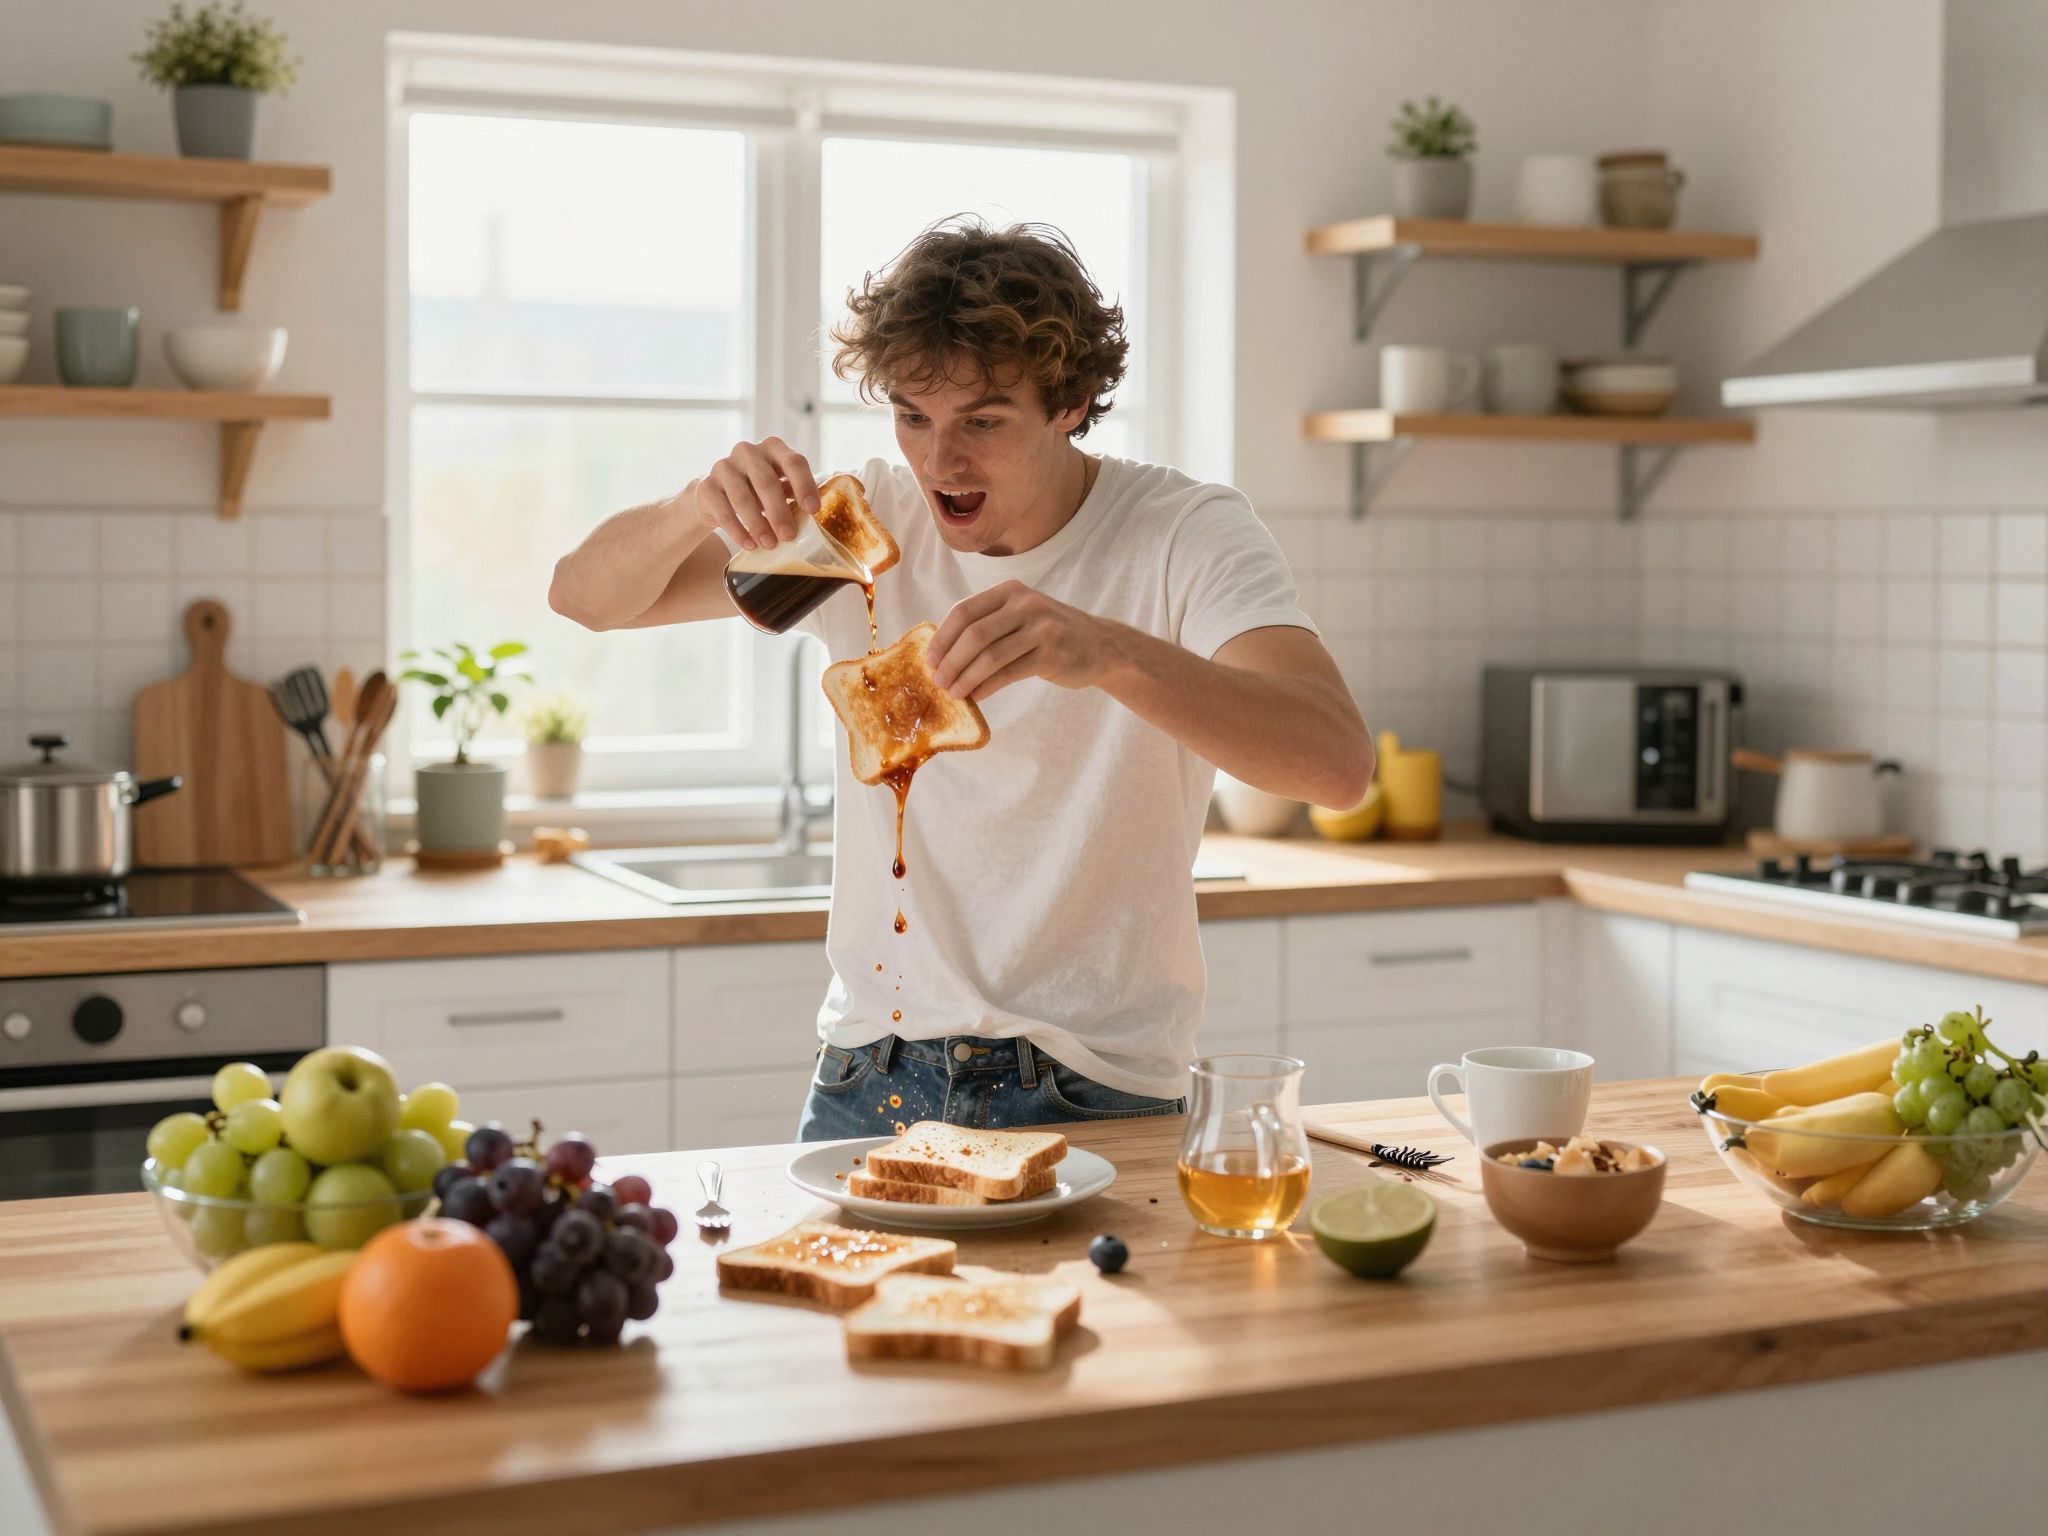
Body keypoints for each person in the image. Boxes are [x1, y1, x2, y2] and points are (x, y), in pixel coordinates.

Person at [549, 219, 1371, 1139]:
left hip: (1092, 1088)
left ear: (1072, 402)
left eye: (982, 421)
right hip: (867, 1078)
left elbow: (1335, 765)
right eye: (912, 417)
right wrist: (692, 506)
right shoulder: (860, 527)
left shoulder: (1184, 533)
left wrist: (1105, 653)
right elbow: (586, 598)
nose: (941, 463)